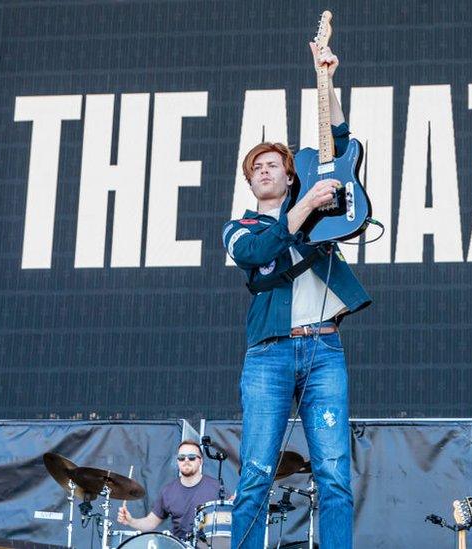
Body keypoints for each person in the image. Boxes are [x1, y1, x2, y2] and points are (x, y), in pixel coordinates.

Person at [221, 40, 371, 549]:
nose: (263, 171)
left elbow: (339, 144)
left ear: (290, 173)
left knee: (333, 475)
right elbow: (259, 254)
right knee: (256, 474)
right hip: (270, 355)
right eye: (254, 169)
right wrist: (303, 208)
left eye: (272, 165)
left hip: (325, 349)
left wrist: (326, 80)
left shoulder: (317, 205)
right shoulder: (239, 227)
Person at [116, 440, 221, 541]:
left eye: (192, 457)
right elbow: (150, 523)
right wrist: (130, 521)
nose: (186, 461)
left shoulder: (216, 487)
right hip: (179, 545)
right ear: (177, 462)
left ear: (201, 461)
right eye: (181, 458)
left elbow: (228, 517)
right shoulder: (168, 491)